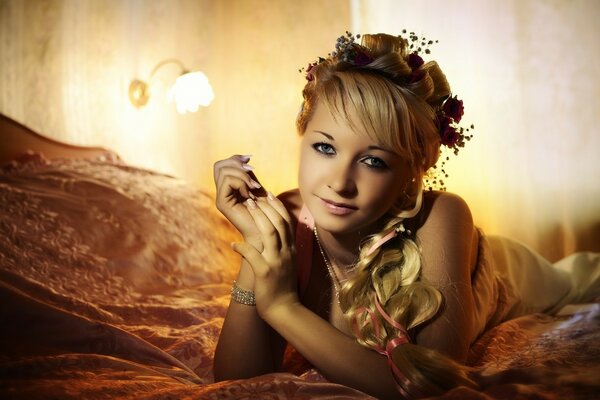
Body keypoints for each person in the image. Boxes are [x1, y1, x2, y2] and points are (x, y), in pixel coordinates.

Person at [212, 32, 600, 399]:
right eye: (325, 148)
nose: (340, 183)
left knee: (584, 276)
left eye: (373, 161)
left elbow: (431, 386)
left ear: (411, 171)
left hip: (531, 277)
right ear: (303, 139)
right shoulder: (290, 216)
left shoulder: (443, 214)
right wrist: (257, 237)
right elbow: (235, 381)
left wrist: (282, 308)